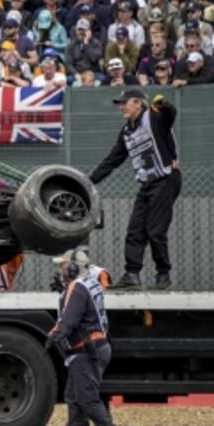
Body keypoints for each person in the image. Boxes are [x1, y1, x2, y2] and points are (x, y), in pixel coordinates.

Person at [90, 89, 180, 289]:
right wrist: (89, 181)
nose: (121, 107)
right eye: (120, 103)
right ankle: (132, 274)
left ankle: (163, 274)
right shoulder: (126, 131)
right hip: (147, 184)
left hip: (166, 179)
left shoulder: (154, 117)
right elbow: (113, 159)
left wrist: (164, 106)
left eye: (125, 103)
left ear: (138, 103)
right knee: (135, 230)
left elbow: (170, 115)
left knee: (155, 230)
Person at [47, 251, 125, 426]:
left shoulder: (78, 287)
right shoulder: (88, 284)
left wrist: (53, 336)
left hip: (88, 349)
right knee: (73, 395)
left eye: (63, 265)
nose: (60, 270)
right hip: (89, 348)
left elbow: (69, 320)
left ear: (73, 268)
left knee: (86, 397)